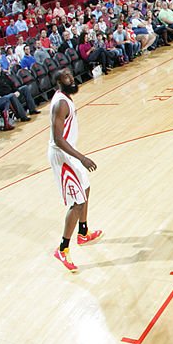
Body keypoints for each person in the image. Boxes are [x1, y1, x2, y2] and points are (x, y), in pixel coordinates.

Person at [49, 69, 101, 272]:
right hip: (62, 156)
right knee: (77, 202)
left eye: (70, 75)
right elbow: (57, 139)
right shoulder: (61, 103)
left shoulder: (66, 99)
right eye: (65, 78)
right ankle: (63, 248)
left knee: (85, 189)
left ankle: (83, 232)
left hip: (70, 154)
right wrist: (82, 157)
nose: (70, 79)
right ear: (58, 83)